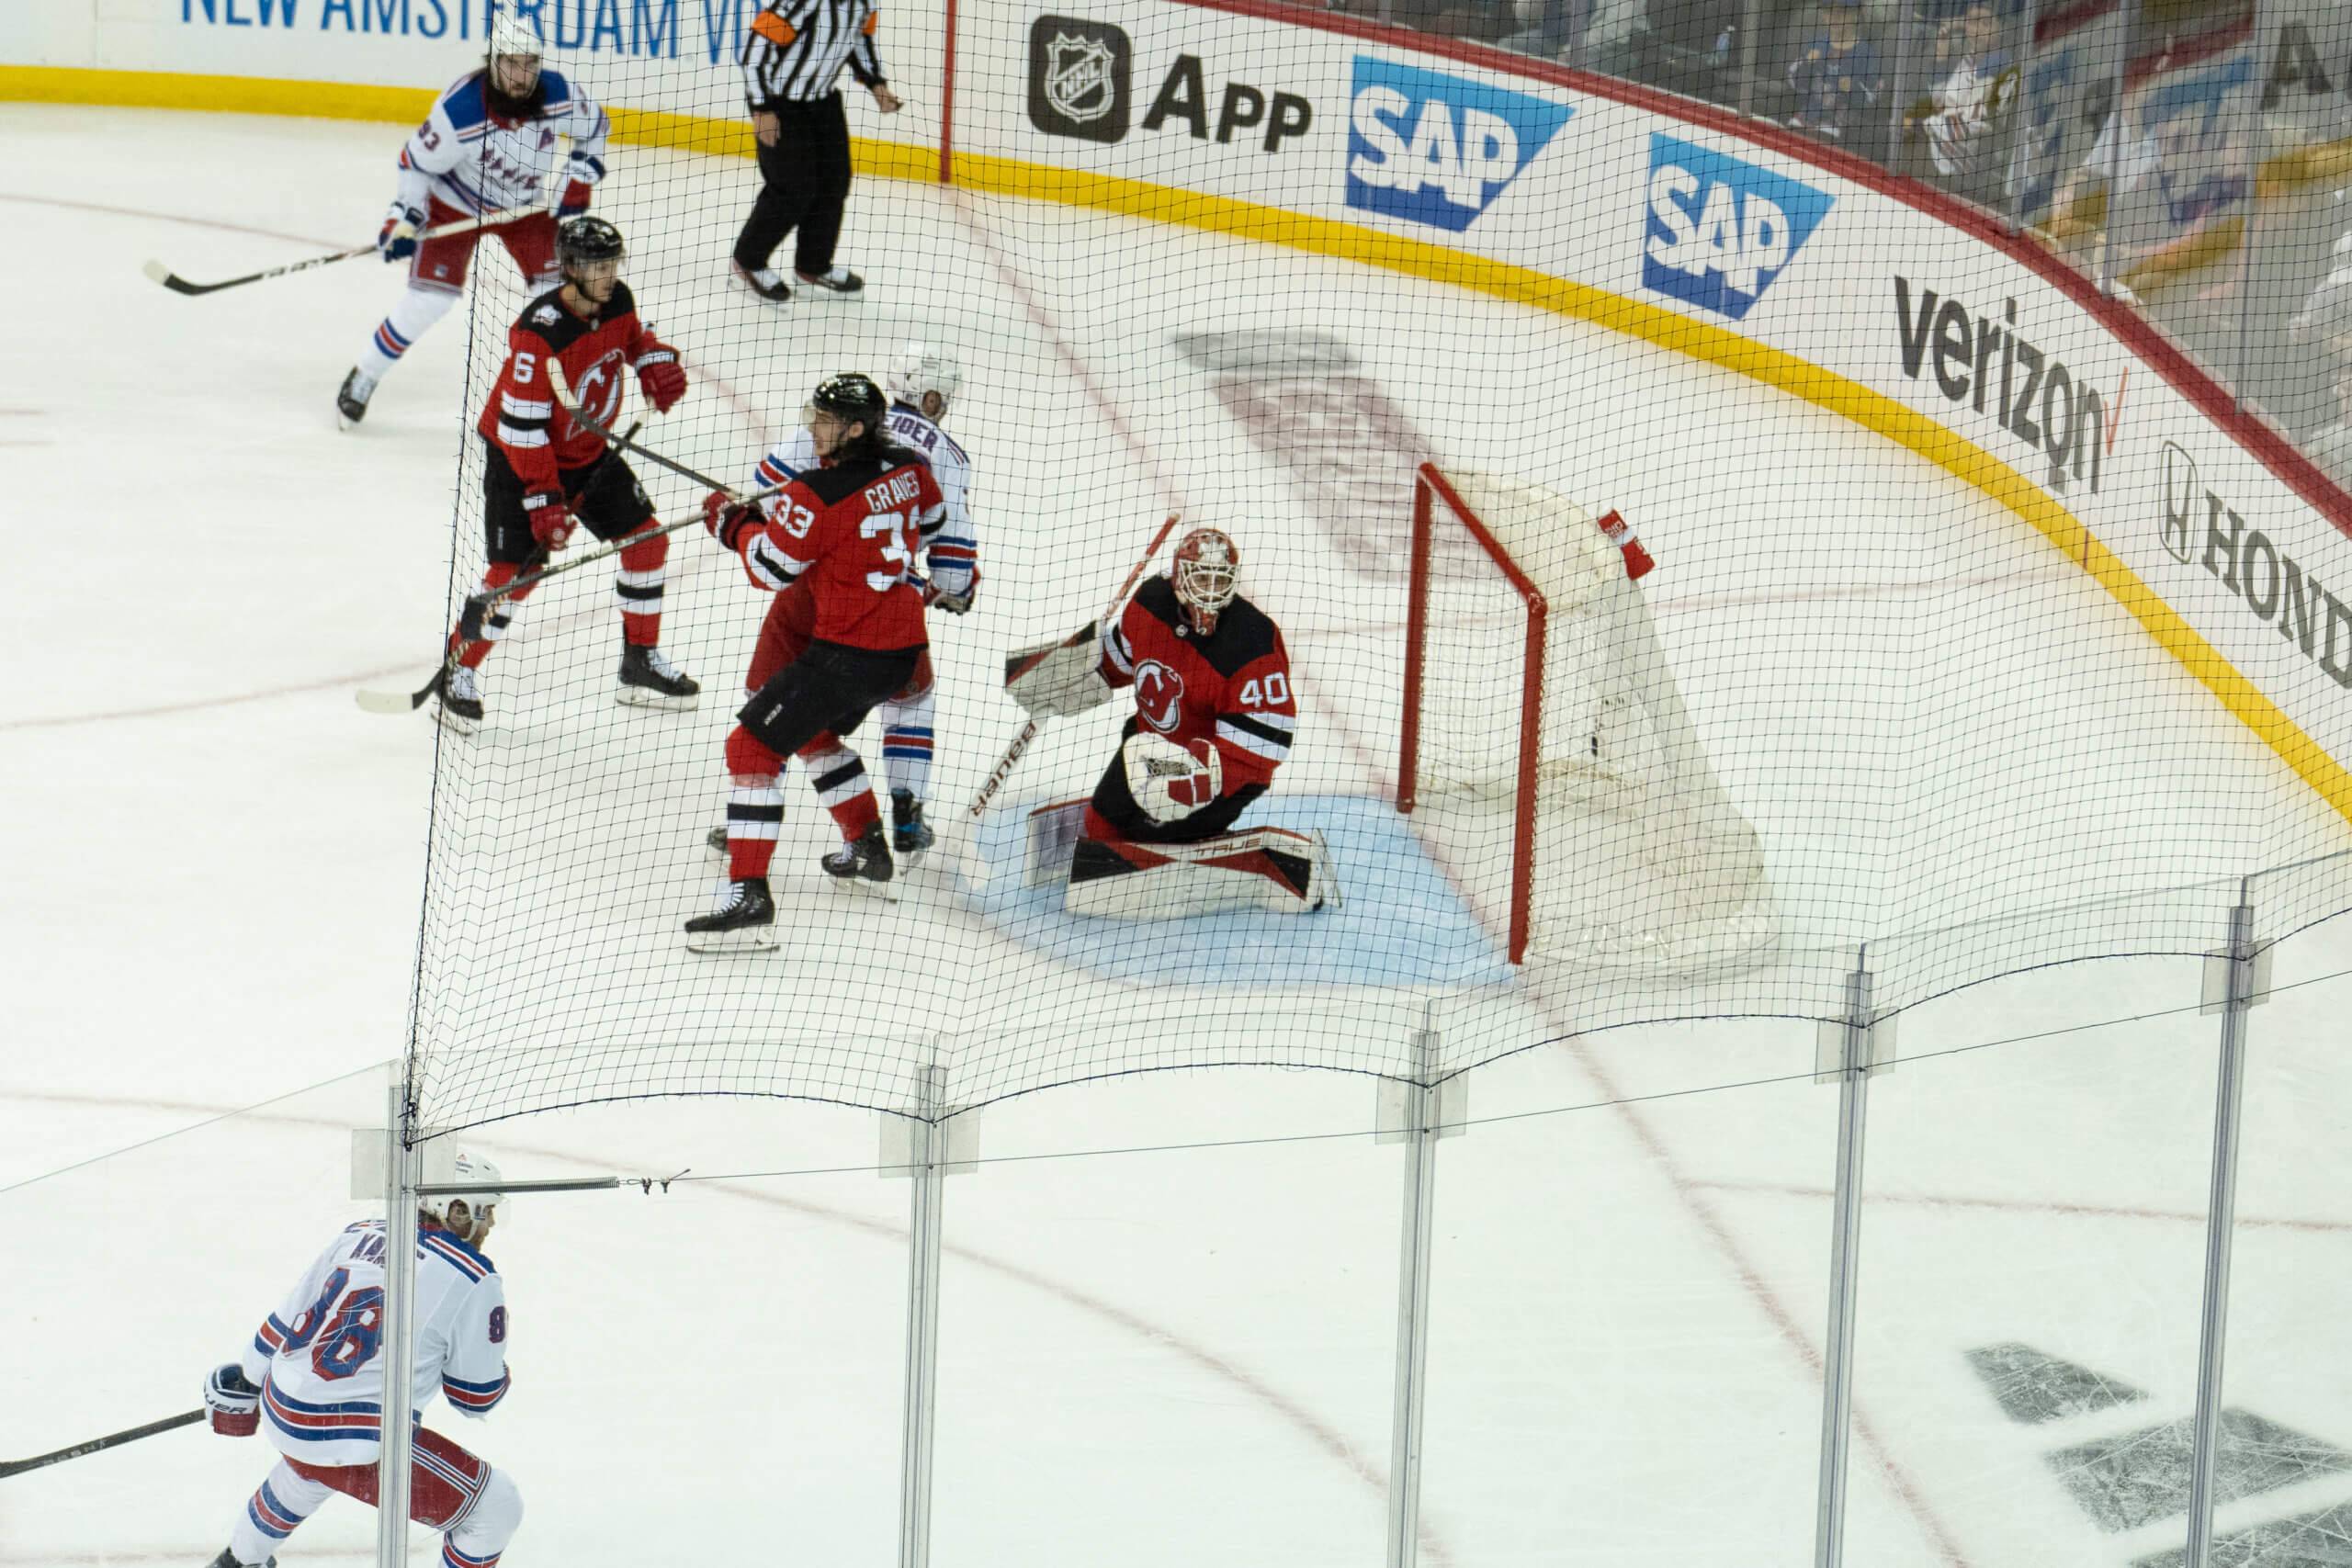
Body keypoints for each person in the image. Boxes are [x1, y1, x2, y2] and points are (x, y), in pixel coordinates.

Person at [686, 373, 946, 951]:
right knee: (815, 734)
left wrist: (733, 524)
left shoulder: (813, 493)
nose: (813, 427)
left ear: (855, 429)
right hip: (904, 651)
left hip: (848, 651)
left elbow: (770, 570)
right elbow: (930, 525)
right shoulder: (909, 467)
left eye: (825, 420)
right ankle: (868, 849)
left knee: (750, 747)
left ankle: (749, 894)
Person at [699, 344, 978, 860]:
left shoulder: (831, 430)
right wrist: (955, 585)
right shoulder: (936, 456)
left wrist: (750, 525)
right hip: (889, 599)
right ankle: (908, 815)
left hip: (811, 589)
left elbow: (764, 487)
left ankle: (750, 815)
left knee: (772, 700)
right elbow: (952, 544)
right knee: (911, 698)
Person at [435, 216, 696, 734]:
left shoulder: (616, 299)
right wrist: (544, 500)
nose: (609, 273)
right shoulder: (539, 334)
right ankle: (456, 669)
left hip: (587, 448)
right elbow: (521, 428)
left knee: (647, 543)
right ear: (571, 268)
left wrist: (652, 361)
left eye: (612, 262)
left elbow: (634, 337)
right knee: (516, 575)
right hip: (521, 458)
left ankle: (638, 661)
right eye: (598, 265)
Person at [199, 1156, 518, 1568]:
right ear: (456, 1209)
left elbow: (281, 1325)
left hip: (283, 1407)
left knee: (307, 1469)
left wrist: (247, 1380)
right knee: (496, 1511)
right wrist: (496, 1370)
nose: (490, 1224)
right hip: (350, 1434)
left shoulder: (358, 1233)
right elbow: (475, 1399)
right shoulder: (475, 1276)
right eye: (486, 1211)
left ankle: (239, 1561)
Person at [1005, 529, 1336, 917]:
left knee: (1140, 848)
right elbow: (1120, 660)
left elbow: (1262, 750)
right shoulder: (1150, 602)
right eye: (1201, 577)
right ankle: (1181, 838)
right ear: (1179, 575)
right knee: (1102, 830)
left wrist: (1199, 782)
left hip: (1220, 772)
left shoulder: (1253, 642)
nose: (1210, 590)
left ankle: (1266, 863)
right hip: (1148, 753)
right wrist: (1073, 674)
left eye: (1220, 579)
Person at [336, 17, 611, 428]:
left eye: (530, 64)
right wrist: (404, 219)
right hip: (456, 205)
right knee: (430, 300)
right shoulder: (459, 110)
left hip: (525, 209)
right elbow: (415, 164)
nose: (521, 76)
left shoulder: (560, 93)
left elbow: (597, 130)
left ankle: (550, 392)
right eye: (511, 64)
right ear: (492, 61)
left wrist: (578, 176)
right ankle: (366, 374)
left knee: (557, 295)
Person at [729, 0, 904, 305]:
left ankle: (813, 265)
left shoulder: (866, 2)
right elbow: (756, 49)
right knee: (793, 187)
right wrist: (761, 107)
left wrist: (876, 83)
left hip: (823, 102)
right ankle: (749, 259)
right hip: (780, 102)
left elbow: (859, 40)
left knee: (834, 183)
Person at [1905, 2, 2015, 186]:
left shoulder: (1999, 67)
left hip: (1962, 180)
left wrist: (1916, 120)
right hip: (1934, 163)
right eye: (1972, 22)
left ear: (2000, 30)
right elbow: (1942, 101)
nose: (1976, 30)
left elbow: (1964, 126)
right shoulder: (1971, 58)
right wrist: (1941, 57)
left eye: (1986, 24)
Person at [1786, 0, 1884, 145]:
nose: (1834, 17)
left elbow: (1873, 95)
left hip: (1839, 128)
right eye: (1829, 11)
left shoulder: (1865, 53)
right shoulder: (1817, 43)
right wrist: (1807, 65)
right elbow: (1794, 81)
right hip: (1804, 118)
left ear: (1857, 14)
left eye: (1842, 11)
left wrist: (1852, 87)